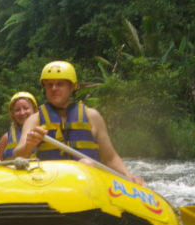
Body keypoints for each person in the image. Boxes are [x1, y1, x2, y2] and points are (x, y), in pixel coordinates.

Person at [14, 61, 145, 184]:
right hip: (51, 181)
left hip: (88, 181)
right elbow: (18, 156)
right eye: (49, 85)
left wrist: (128, 176)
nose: (54, 88)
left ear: (72, 87)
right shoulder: (34, 119)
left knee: (86, 163)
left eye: (60, 84)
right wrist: (28, 146)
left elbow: (110, 158)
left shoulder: (92, 116)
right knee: (85, 163)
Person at [0, 91, 38, 160]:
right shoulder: (6, 138)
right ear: (13, 115)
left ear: (34, 110)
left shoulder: (47, 132)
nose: (22, 113)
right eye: (17, 110)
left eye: (26, 108)